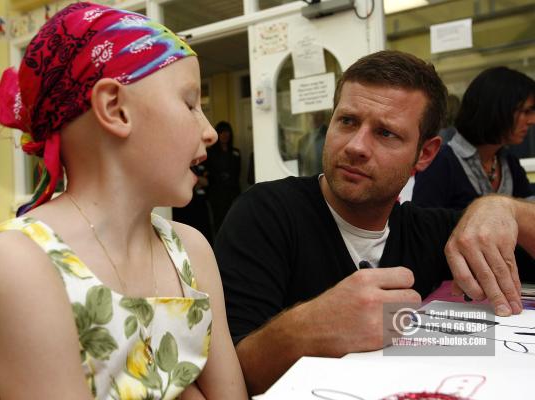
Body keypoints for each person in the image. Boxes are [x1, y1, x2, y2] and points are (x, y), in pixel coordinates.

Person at [0, 3, 247, 399]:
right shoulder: (22, 265)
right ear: (114, 108)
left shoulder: (190, 251)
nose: (209, 131)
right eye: (190, 104)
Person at [213, 50, 535, 395]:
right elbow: (229, 379)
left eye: (385, 133)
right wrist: (307, 328)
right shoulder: (265, 213)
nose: (356, 146)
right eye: (347, 121)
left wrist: (504, 208)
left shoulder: (431, 232)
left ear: (425, 154)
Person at [413, 66, 535, 209]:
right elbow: (421, 227)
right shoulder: (440, 163)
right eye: (526, 111)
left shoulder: (509, 163)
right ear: (496, 110)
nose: (532, 120)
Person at [206, 121, 241, 234]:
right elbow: (209, 172)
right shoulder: (210, 153)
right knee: (219, 222)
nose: (225, 135)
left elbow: (237, 172)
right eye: (221, 132)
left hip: (233, 193)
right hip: (217, 194)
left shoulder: (236, 152)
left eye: (227, 132)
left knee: (235, 220)